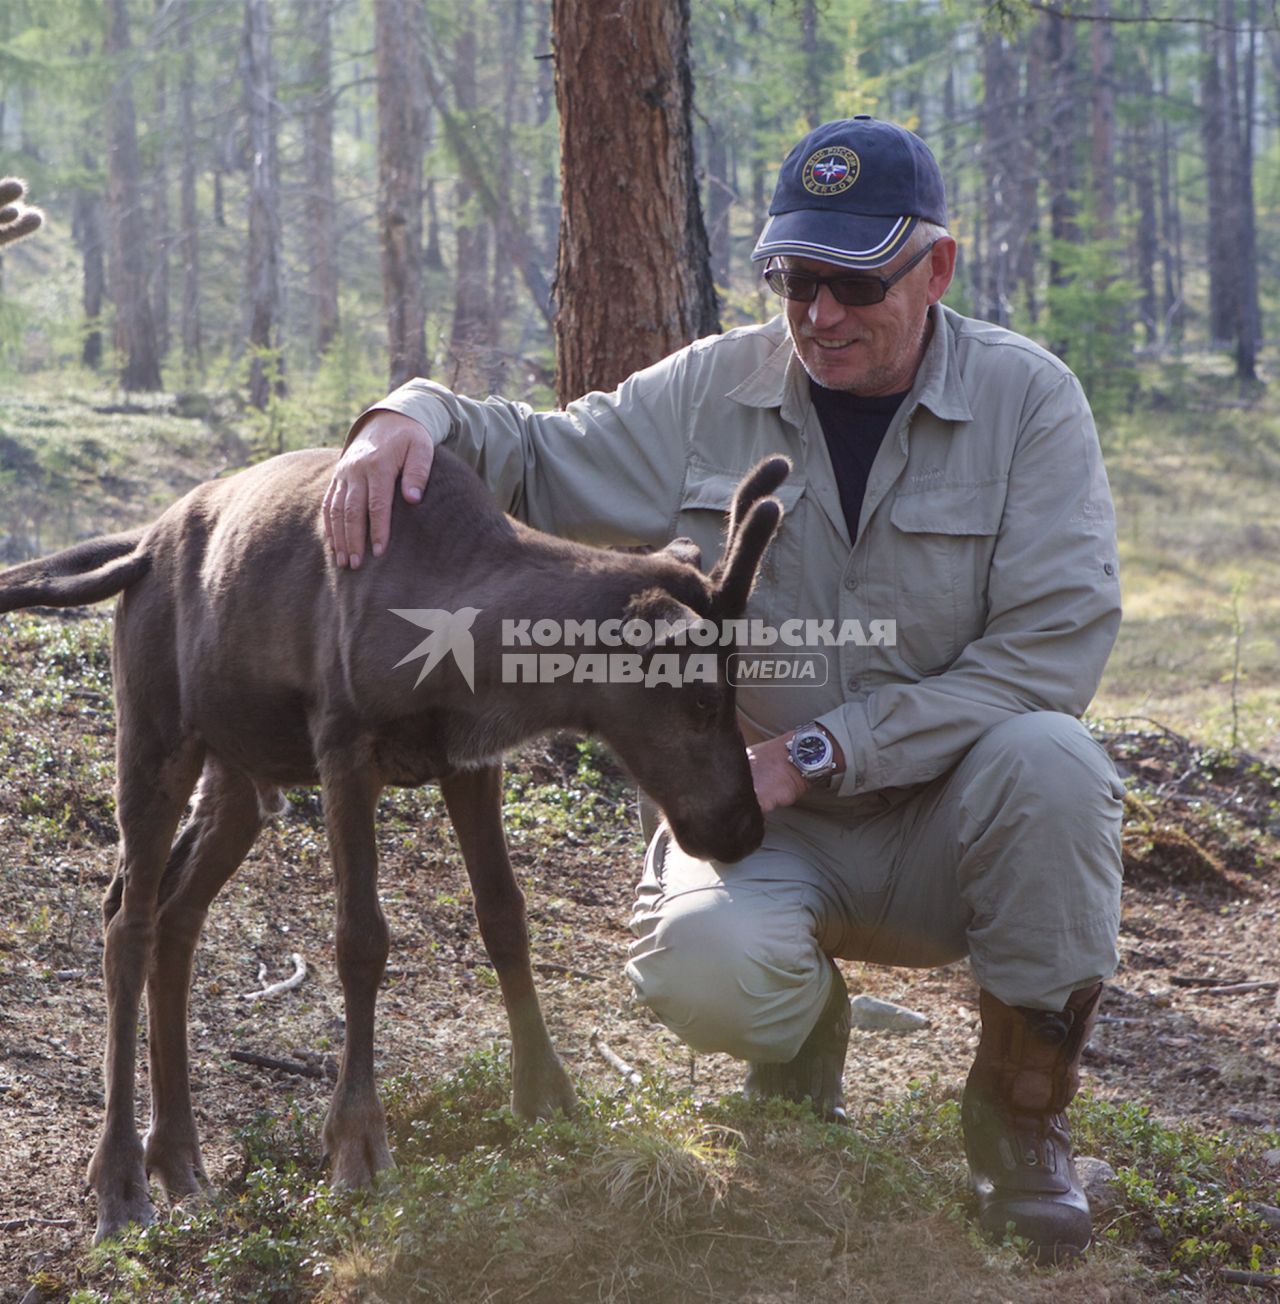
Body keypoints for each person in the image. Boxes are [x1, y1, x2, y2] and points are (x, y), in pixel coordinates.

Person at [323, 115, 1124, 1263]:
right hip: (763, 826)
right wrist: (406, 415)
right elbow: (543, 454)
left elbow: (1046, 653)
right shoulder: (715, 387)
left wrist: (820, 752)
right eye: (793, 277)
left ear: (935, 266)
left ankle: (1018, 1109)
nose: (818, 314)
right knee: (707, 977)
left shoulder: (1027, 403)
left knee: (1053, 759)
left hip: (948, 819)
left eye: (854, 280)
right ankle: (798, 1030)